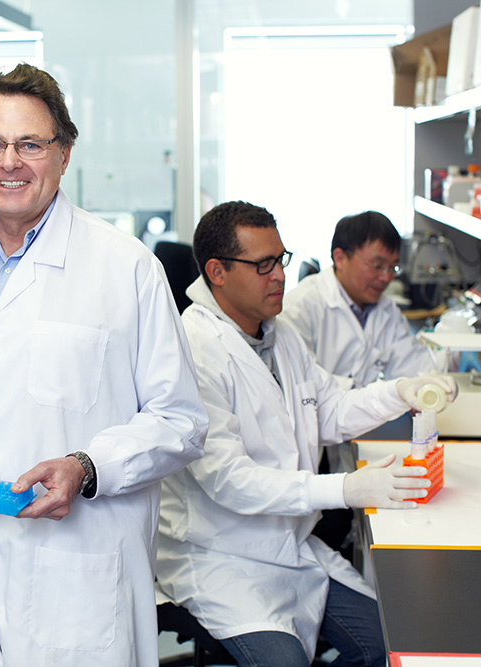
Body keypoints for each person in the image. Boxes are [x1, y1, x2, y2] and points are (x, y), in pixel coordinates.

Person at [0, 63, 208, 667]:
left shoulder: (127, 268)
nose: (10, 162)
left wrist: (87, 466)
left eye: (30, 144)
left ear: (64, 153)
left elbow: (180, 420)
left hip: (76, 582)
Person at [155, 201, 457, 667]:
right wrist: (345, 488)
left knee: (385, 645)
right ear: (217, 272)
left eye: (281, 260)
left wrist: (401, 391)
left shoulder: (279, 335)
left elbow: (330, 408)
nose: (279, 276)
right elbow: (230, 481)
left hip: (290, 546)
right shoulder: (193, 350)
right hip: (221, 555)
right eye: (263, 265)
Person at [280, 210, 436, 390]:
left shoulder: (387, 310)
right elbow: (304, 381)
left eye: (393, 267)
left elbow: (415, 367)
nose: (386, 278)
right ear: (340, 259)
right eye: (377, 265)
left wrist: (452, 360)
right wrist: (374, 395)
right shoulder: (299, 307)